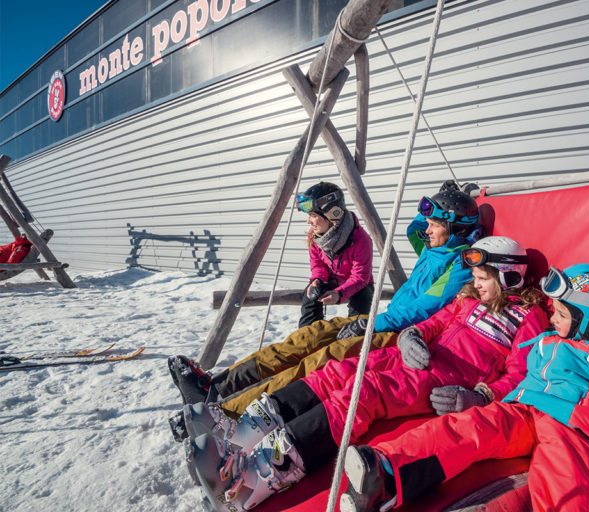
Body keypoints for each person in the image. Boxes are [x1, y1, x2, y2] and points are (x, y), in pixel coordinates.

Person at [185, 237, 550, 512]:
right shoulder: (469, 299)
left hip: (444, 382)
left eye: (484, 277)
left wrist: (481, 395)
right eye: (475, 275)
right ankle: (247, 431)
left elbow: (520, 374)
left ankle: (260, 474)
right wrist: (413, 336)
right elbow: (435, 323)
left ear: (509, 276)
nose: (477, 282)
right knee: (341, 369)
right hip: (414, 357)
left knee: (365, 392)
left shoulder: (529, 317)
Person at [338, 263, 589, 512]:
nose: (553, 317)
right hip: (522, 408)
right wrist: (488, 397)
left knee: (566, 487)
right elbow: (518, 371)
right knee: (465, 428)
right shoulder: (552, 338)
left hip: (575, 432)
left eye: (562, 313)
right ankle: (386, 471)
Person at [168, 183, 480, 424]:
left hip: (398, 333)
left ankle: (228, 413)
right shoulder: (432, 246)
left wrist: (368, 322)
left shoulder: (462, 263)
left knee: (320, 359)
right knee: (306, 336)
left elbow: (423, 309)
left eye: (435, 224)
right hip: (381, 320)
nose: (426, 229)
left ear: (455, 230)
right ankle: (214, 387)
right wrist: (445, 196)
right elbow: (415, 227)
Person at [295, 182, 374, 328]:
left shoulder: (360, 239)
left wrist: (339, 294)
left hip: (358, 284)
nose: (308, 221)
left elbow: (360, 277)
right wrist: (318, 279)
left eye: (312, 215)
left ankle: (354, 337)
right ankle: (308, 335)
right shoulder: (314, 236)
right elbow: (318, 264)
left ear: (333, 214)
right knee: (310, 294)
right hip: (332, 280)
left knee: (362, 300)